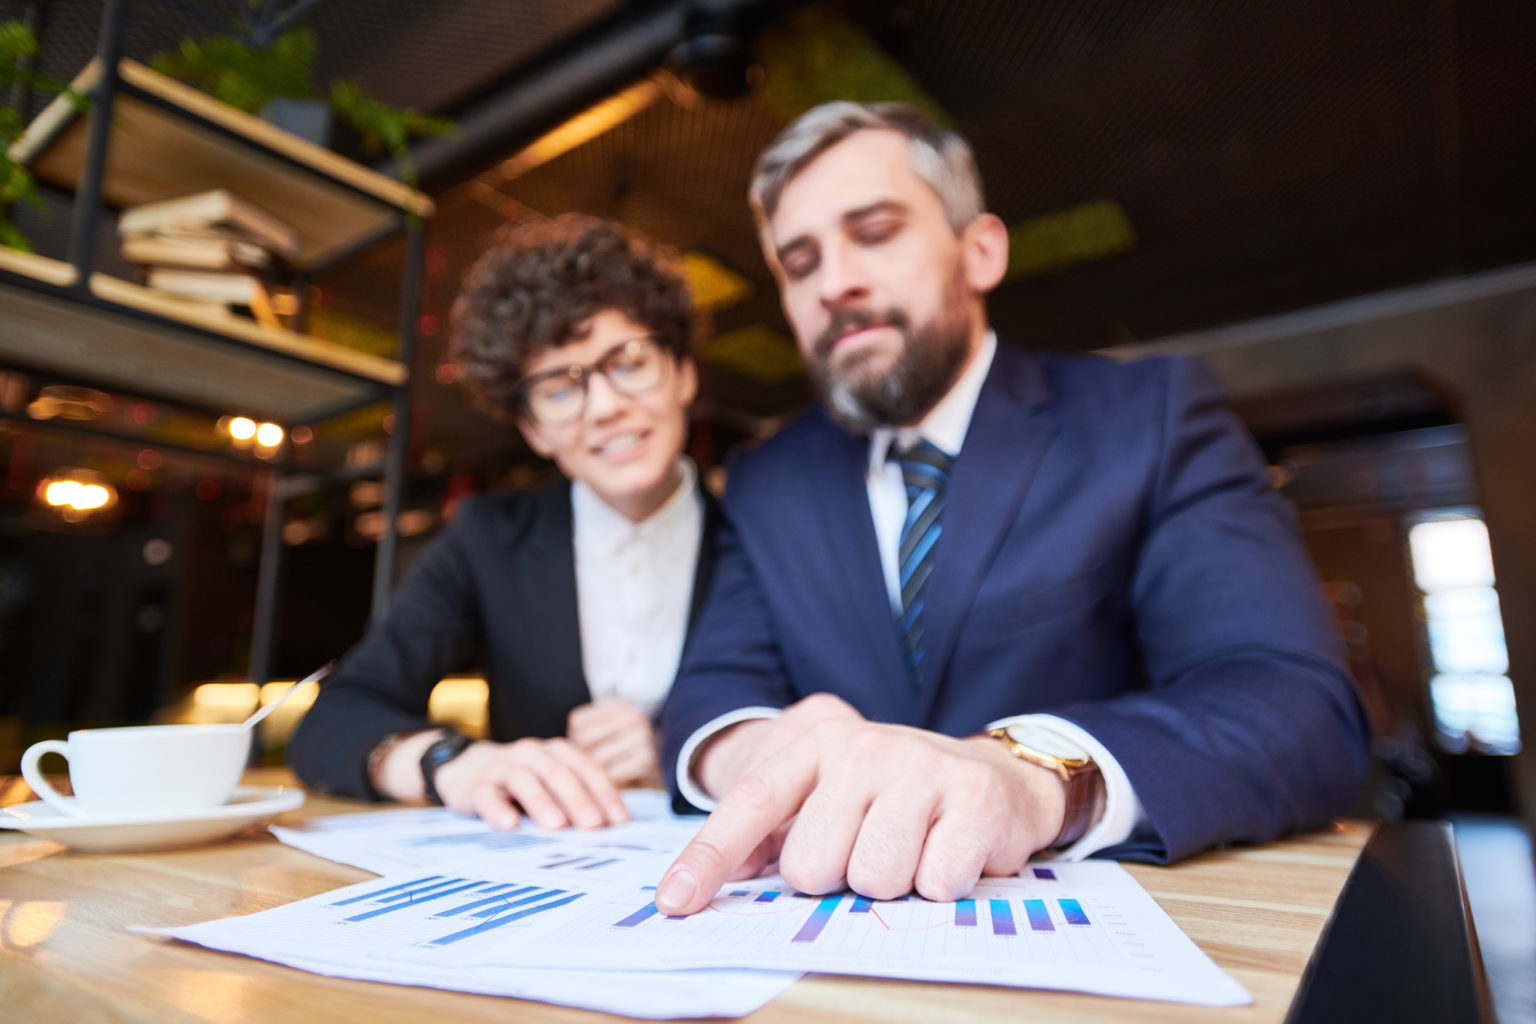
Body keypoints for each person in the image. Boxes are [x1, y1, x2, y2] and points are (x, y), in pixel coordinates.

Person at [652, 102, 1369, 915]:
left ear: (981, 250)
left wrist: (1030, 774)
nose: (835, 282)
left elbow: (1296, 704)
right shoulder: (764, 476)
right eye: (799, 261)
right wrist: (764, 750)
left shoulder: (1151, 415)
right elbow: (711, 692)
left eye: (876, 231)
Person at [289, 214, 711, 832]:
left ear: (684, 373)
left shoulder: (763, 529)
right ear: (533, 429)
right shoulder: (488, 538)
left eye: (628, 361)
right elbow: (335, 720)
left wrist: (686, 755)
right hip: (544, 873)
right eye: (559, 389)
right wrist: (454, 763)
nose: (605, 407)